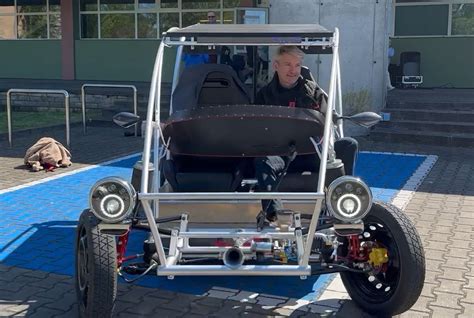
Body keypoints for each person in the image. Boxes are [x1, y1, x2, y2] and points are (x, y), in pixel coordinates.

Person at [254, 46, 359, 224]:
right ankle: (275, 215)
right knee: (261, 159)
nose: (293, 70)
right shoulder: (264, 95)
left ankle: (342, 205)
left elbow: (327, 124)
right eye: (288, 64)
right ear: (276, 66)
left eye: (297, 65)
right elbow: (258, 129)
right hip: (280, 154)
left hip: (312, 152)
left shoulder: (313, 92)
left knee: (349, 144)